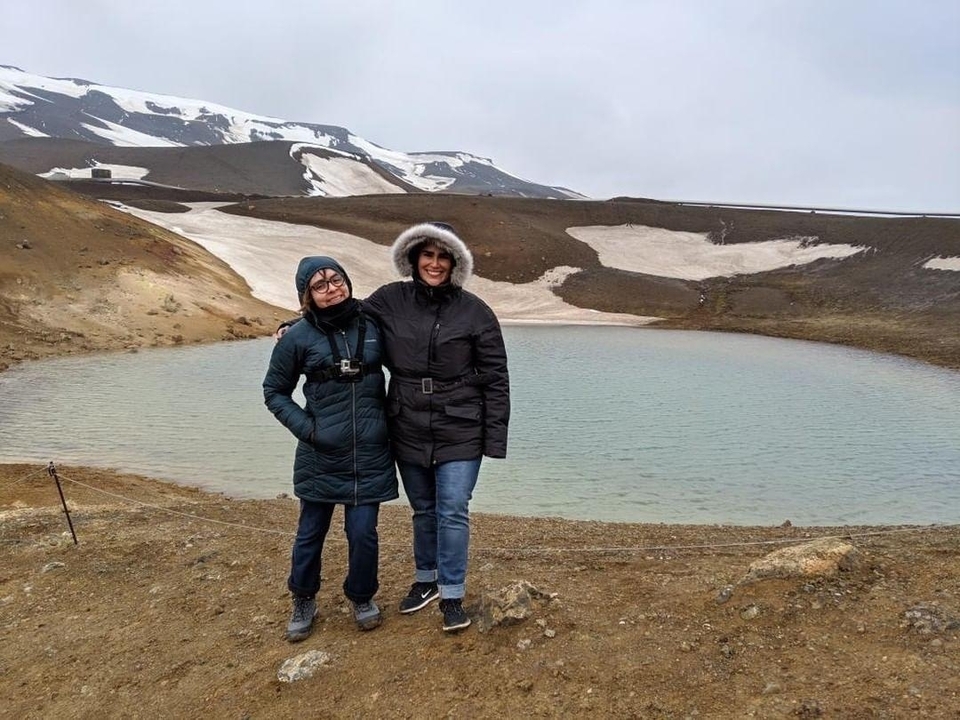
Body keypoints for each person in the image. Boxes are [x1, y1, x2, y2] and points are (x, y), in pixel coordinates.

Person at [364, 221, 510, 633]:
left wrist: (494, 439)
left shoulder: (475, 311)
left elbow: (496, 377)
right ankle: (425, 580)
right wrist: (295, 322)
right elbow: (346, 319)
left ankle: (452, 594)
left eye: (443, 256)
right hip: (406, 421)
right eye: (427, 255)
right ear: (413, 257)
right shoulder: (390, 300)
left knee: (452, 510)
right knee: (423, 509)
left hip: (461, 425)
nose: (434, 263)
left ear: (455, 262)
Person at [263, 256, 397, 642]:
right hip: (320, 451)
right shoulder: (297, 338)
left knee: (363, 533)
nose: (332, 289)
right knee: (310, 531)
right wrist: (309, 430)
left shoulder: (373, 325)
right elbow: (274, 392)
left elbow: (406, 359)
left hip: (371, 451)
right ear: (307, 296)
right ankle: (303, 598)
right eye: (319, 286)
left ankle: (361, 596)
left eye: (336, 279)